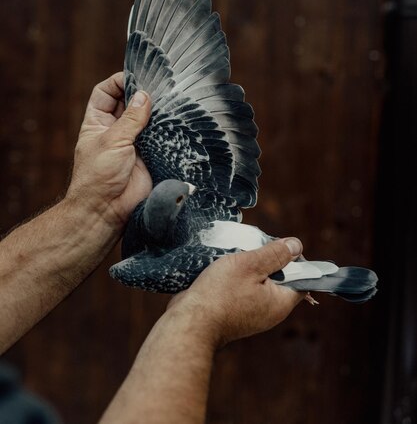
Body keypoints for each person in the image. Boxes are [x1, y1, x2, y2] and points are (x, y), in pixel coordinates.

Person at [0, 73, 305, 423]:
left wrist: (93, 209)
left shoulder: (161, 192)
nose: (188, 189)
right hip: (240, 250)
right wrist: (200, 317)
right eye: (181, 194)